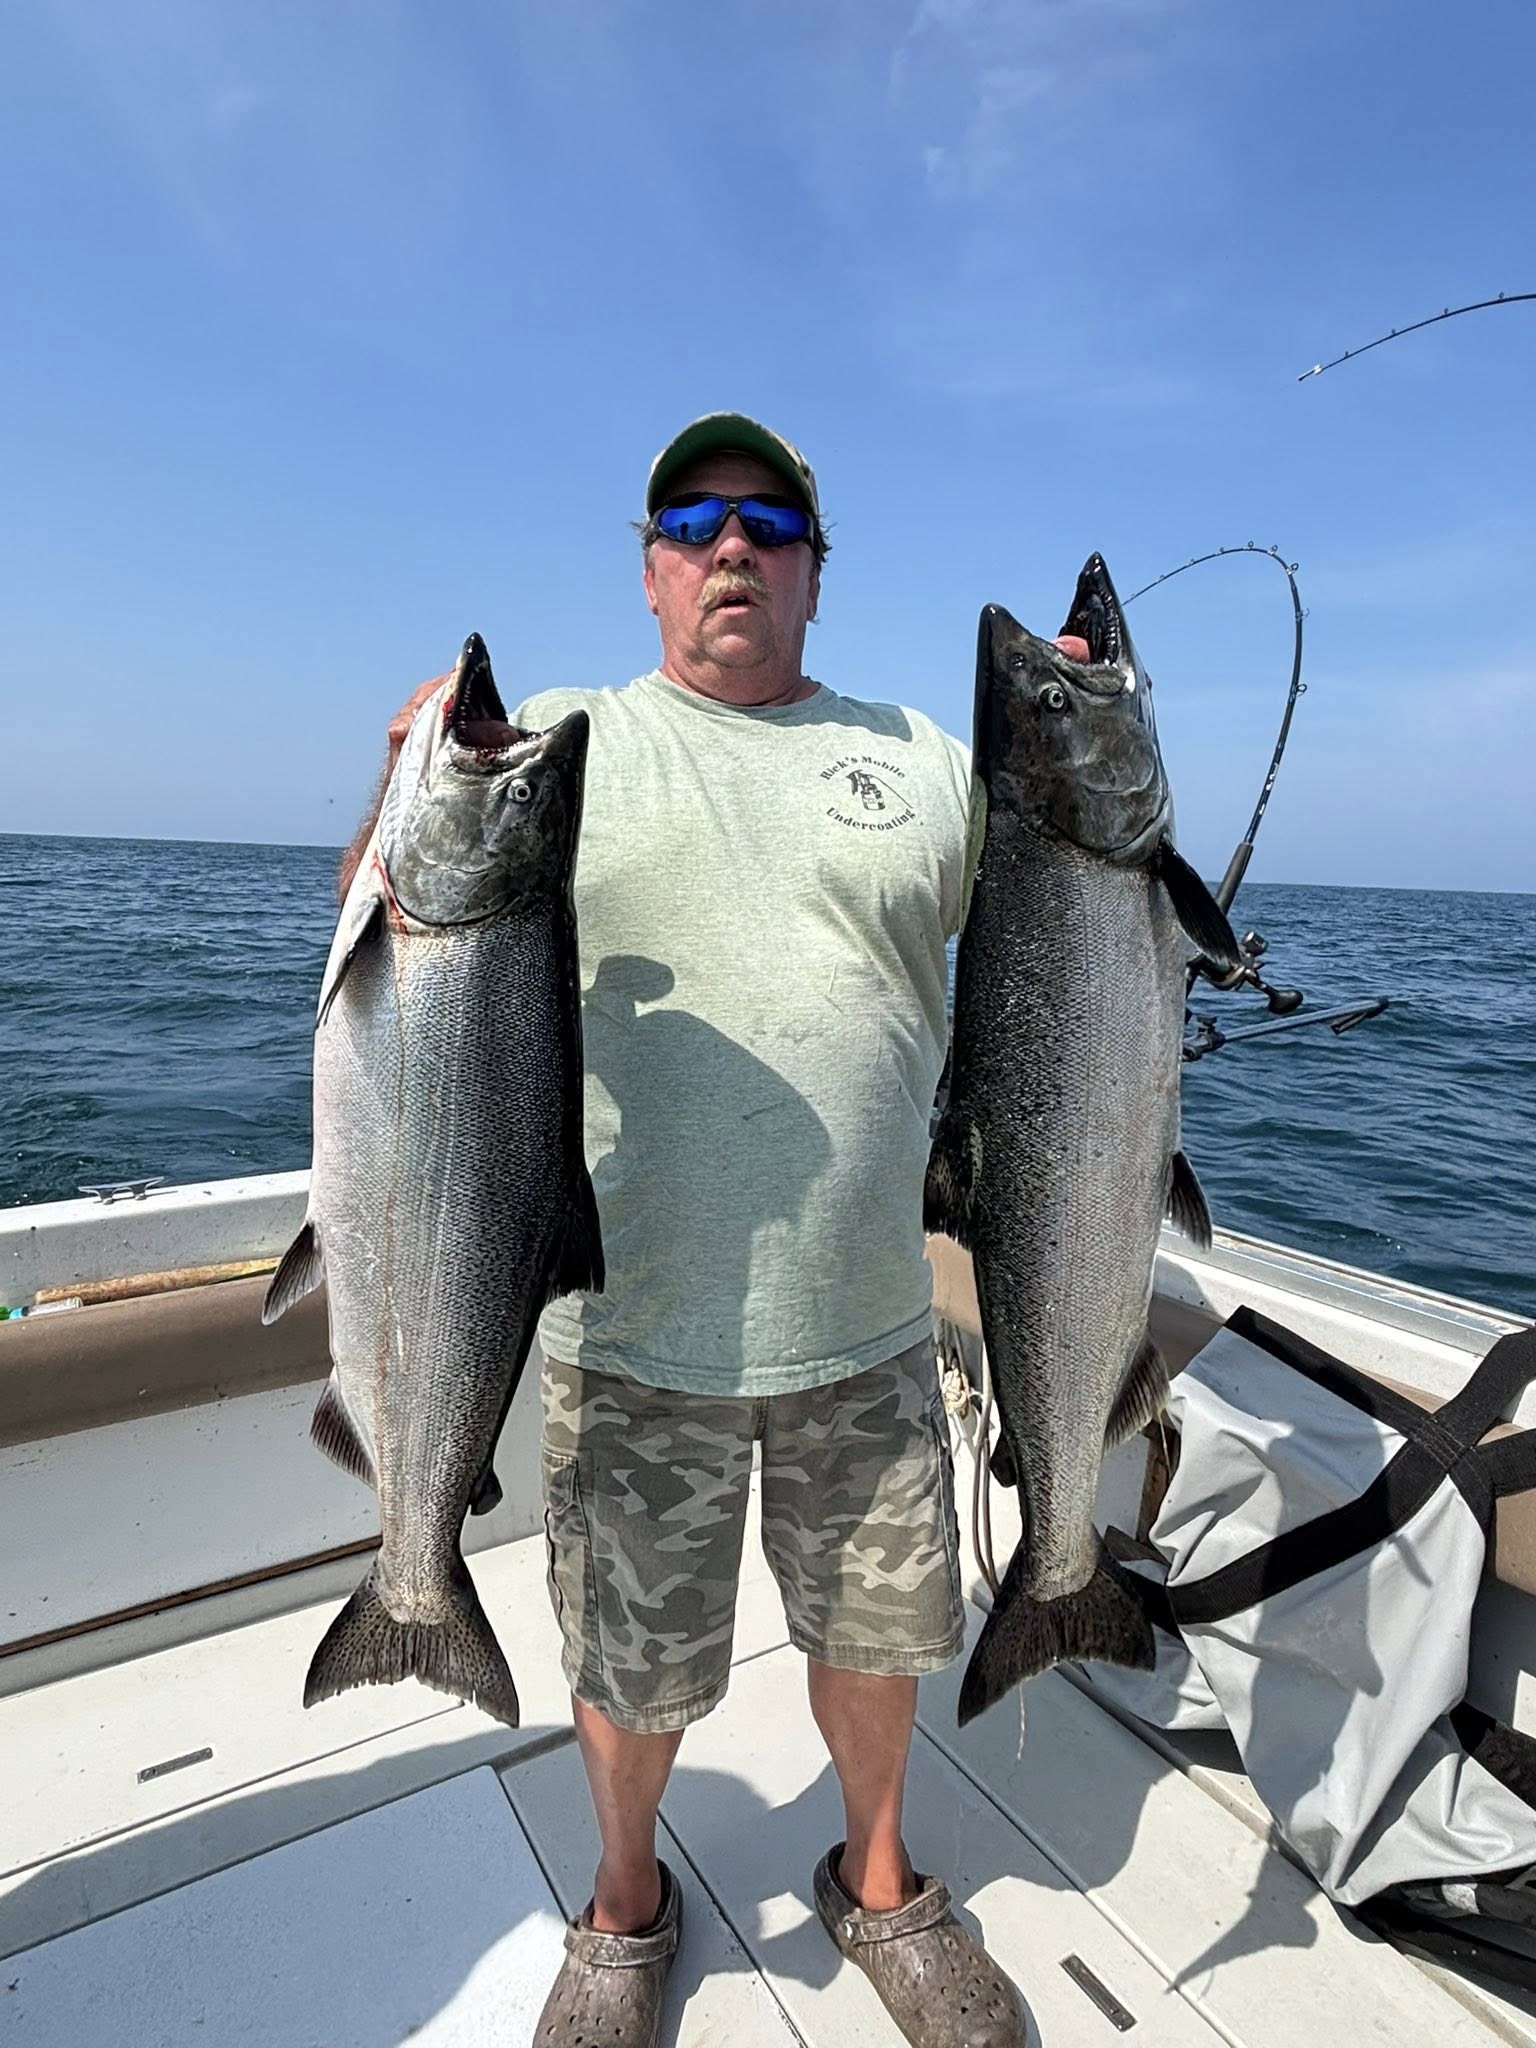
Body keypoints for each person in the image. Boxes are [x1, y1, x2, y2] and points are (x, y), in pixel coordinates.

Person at [346, 416, 1078, 2048]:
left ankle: (878, 1880)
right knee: (633, 1663)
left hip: (868, 1315)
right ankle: (624, 1908)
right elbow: (397, 927)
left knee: (878, 1640)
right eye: (692, 523)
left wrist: (1091, 756)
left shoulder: (922, 760)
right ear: (651, 570)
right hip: (628, 1323)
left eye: (767, 524)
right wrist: (395, 784)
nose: (729, 546)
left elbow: (1062, 918)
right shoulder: (553, 741)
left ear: (816, 572)